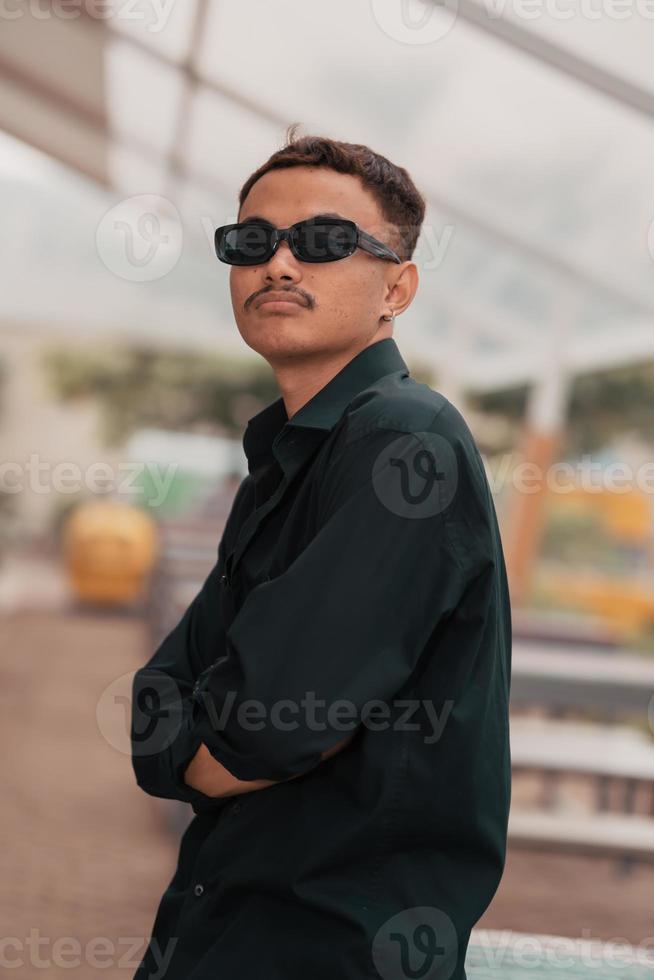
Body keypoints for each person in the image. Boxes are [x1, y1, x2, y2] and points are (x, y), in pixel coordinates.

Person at [130, 127, 512, 980]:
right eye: (252, 241)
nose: (280, 263)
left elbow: (255, 731)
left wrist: (213, 733)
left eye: (326, 241)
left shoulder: (403, 445)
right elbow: (157, 702)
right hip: (227, 918)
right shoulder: (292, 455)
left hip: (329, 944)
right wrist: (200, 734)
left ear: (398, 288)